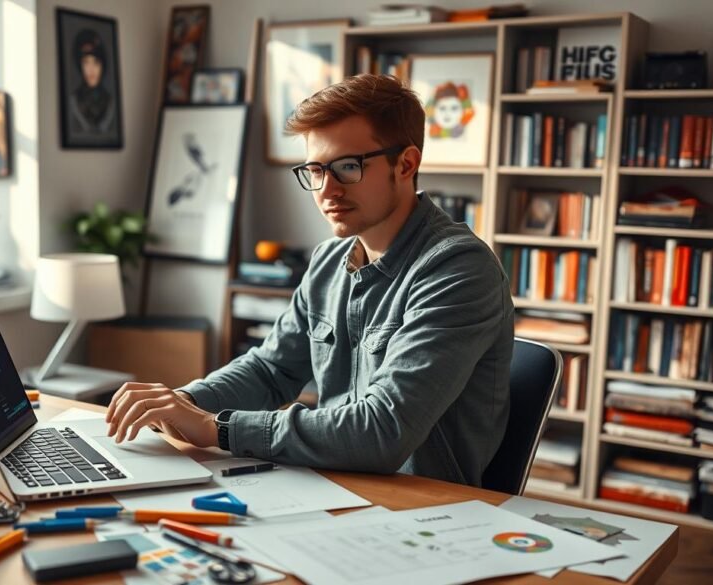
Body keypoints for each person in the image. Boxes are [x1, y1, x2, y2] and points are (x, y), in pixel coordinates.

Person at [105, 74, 514, 485]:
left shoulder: (459, 268)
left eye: (348, 167)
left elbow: (382, 431)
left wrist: (216, 428)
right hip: (333, 486)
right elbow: (270, 370)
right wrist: (181, 402)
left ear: (406, 164)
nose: (326, 190)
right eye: (316, 170)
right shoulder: (328, 259)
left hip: (425, 510)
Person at [67, 28, 115, 135]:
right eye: (86, 62)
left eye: (96, 62)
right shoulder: (74, 101)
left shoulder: (110, 103)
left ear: (103, 65)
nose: (91, 69)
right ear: (80, 66)